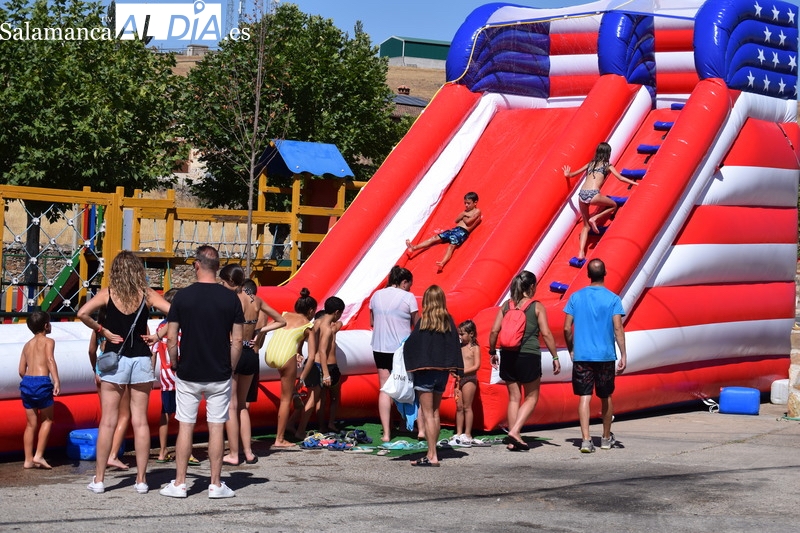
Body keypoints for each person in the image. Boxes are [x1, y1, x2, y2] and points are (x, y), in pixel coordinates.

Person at [77, 250, 171, 494]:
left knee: (108, 421)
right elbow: (176, 312)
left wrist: (102, 330)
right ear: (138, 271)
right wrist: (158, 335)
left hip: (114, 361)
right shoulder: (147, 294)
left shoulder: (108, 294)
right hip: (140, 359)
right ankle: (141, 480)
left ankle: (99, 480)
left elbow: (81, 313)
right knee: (140, 422)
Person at [159, 245, 244, 499]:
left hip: (189, 371)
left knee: (186, 425)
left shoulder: (183, 297)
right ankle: (216, 484)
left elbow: (171, 337)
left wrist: (174, 362)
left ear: (197, 265)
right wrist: (231, 367)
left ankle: (180, 483)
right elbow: (238, 341)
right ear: (218, 268)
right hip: (219, 371)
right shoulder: (231, 298)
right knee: (216, 426)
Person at [219, 264, 285, 466]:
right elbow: (281, 321)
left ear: (230, 282)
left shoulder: (229, 300)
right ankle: (248, 452)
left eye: (222, 282)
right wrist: (260, 331)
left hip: (233, 351)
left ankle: (233, 453)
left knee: (231, 406)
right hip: (250, 353)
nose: (221, 285)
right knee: (242, 407)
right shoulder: (255, 300)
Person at [488, 271, 561, 452]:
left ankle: (514, 440)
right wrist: (555, 356)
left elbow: (494, 331)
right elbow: (546, 333)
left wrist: (492, 351)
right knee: (532, 397)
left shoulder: (506, 306)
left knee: (514, 397)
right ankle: (515, 430)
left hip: (508, 354)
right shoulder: (536, 306)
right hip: (528, 355)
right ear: (531, 287)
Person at [563, 258, 627, 453]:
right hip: (605, 355)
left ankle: (585, 440)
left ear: (588, 275)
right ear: (605, 274)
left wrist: (571, 348)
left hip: (582, 355)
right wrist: (623, 354)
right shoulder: (613, 299)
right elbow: (617, 327)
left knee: (584, 396)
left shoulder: (575, 297)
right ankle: (606, 438)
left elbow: (566, 328)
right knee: (606, 395)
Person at [403, 285, 463, 466]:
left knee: (428, 414)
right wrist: (456, 369)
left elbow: (411, 345)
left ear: (427, 301)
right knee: (435, 413)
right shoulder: (448, 321)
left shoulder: (424, 321)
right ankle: (432, 451)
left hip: (425, 373)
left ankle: (432, 455)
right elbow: (454, 345)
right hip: (442, 373)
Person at [562, 142, 638, 262]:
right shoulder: (608, 165)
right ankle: (595, 218)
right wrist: (636, 183)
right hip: (593, 194)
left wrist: (567, 174)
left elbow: (571, 174)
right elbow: (620, 177)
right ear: (608, 153)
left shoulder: (590, 164)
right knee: (613, 205)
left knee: (585, 227)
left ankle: (581, 253)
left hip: (582, 195)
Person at [369, 265, 418, 442]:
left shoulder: (376, 295)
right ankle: (406, 424)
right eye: (409, 284)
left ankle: (387, 433)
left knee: (385, 388)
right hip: (401, 348)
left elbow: (372, 321)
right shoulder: (408, 297)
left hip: (379, 347)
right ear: (404, 282)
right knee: (406, 384)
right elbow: (417, 324)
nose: (409, 288)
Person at [152, 288, 200, 466]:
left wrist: (151, 373)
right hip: (183, 374)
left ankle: (162, 451)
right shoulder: (185, 325)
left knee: (166, 412)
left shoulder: (160, 327)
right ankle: (187, 452)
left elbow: (154, 351)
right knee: (186, 415)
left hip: (165, 376)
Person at [264, 288, 316, 447]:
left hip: (270, 354)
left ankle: (295, 395)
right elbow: (312, 356)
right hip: (286, 357)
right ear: (311, 310)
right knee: (285, 400)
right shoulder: (308, 325)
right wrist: (303, 377)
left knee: (286, 382)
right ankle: (279, 439)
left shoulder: (284, 314)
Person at [87, 307, 130, 471]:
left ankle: (102, 456)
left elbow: (91, 350)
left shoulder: (98, 330)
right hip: (118, 372)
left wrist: (94, 369)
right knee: (124, 415)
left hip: (101, 372)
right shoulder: (119, 330)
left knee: (107, 415)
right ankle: (113, 455)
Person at [18, 310, 60, 469]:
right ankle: (39, 455)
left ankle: (28, 459)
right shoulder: (49, 341)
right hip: (42, 381)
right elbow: (50, 359)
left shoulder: (27, 345)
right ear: (46, 325)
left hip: (27, 382)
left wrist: (30, 381)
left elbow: (21, 370)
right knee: (47, 420)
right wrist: (56, 380)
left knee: (30, 424)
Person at [406, 192, 482, 271]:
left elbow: (468, 222)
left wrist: (464, 215)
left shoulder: (477, 211)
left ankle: (442, 262)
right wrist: (464, 215)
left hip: (462, 232)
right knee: (435, 237)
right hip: (454, 230)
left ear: (475, 202)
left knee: (451, 246)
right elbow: (456, 220)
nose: (466, 205)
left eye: (468, 203)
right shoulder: (465, 212)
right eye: (465, 203)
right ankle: (415, 247)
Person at [315, 297, 345, 432]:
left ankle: (322, 426)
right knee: (333, 397)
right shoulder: (330, 328)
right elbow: (322, 350)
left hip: (320, 365)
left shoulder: (317, 324)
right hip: (329, 366)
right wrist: (326, 373)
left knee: (322, 398)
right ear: (337, 312)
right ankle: (330, 423)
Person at [450, 319, 480, 447]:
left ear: (471, 333)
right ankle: (458, 432)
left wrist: (463, 372)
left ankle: (467, 434)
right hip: (459, 379)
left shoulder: (474, 348)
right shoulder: (459, 347)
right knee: (459, 407)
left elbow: (477, 365)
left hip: (469, 379)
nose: (460, 337)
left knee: (467, 407)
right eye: (459, 334)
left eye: (462, 334)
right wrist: (453, 371)